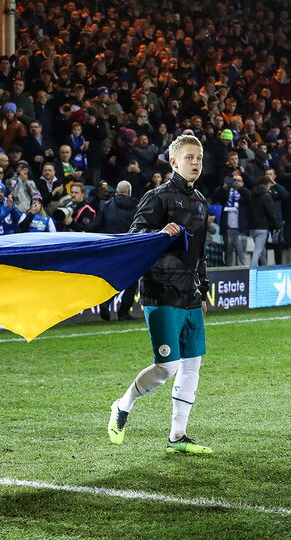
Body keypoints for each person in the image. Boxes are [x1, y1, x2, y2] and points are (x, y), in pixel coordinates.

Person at [107, 134, 213, 454]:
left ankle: (177, 437)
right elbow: (134, 235)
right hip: (161, 289)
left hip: (190, 294)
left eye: (199, 157)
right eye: (190, 157)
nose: (196, 162)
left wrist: (203, 289)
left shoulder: (201, 201)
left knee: (192, 365)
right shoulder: (158, 197)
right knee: (166, 367)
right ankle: (122, 405)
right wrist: (157, 234)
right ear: (174, 162)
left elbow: (200, 251)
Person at [89, 180, 140, 320]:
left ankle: (106, 301)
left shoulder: (106, 205)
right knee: (132, 280)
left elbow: (96, 225)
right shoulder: (136, 208)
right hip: (130, 249)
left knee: (114, 277)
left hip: (111, 248)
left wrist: (82, 232)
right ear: (129, 192)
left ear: (117, 191)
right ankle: (123, 312)